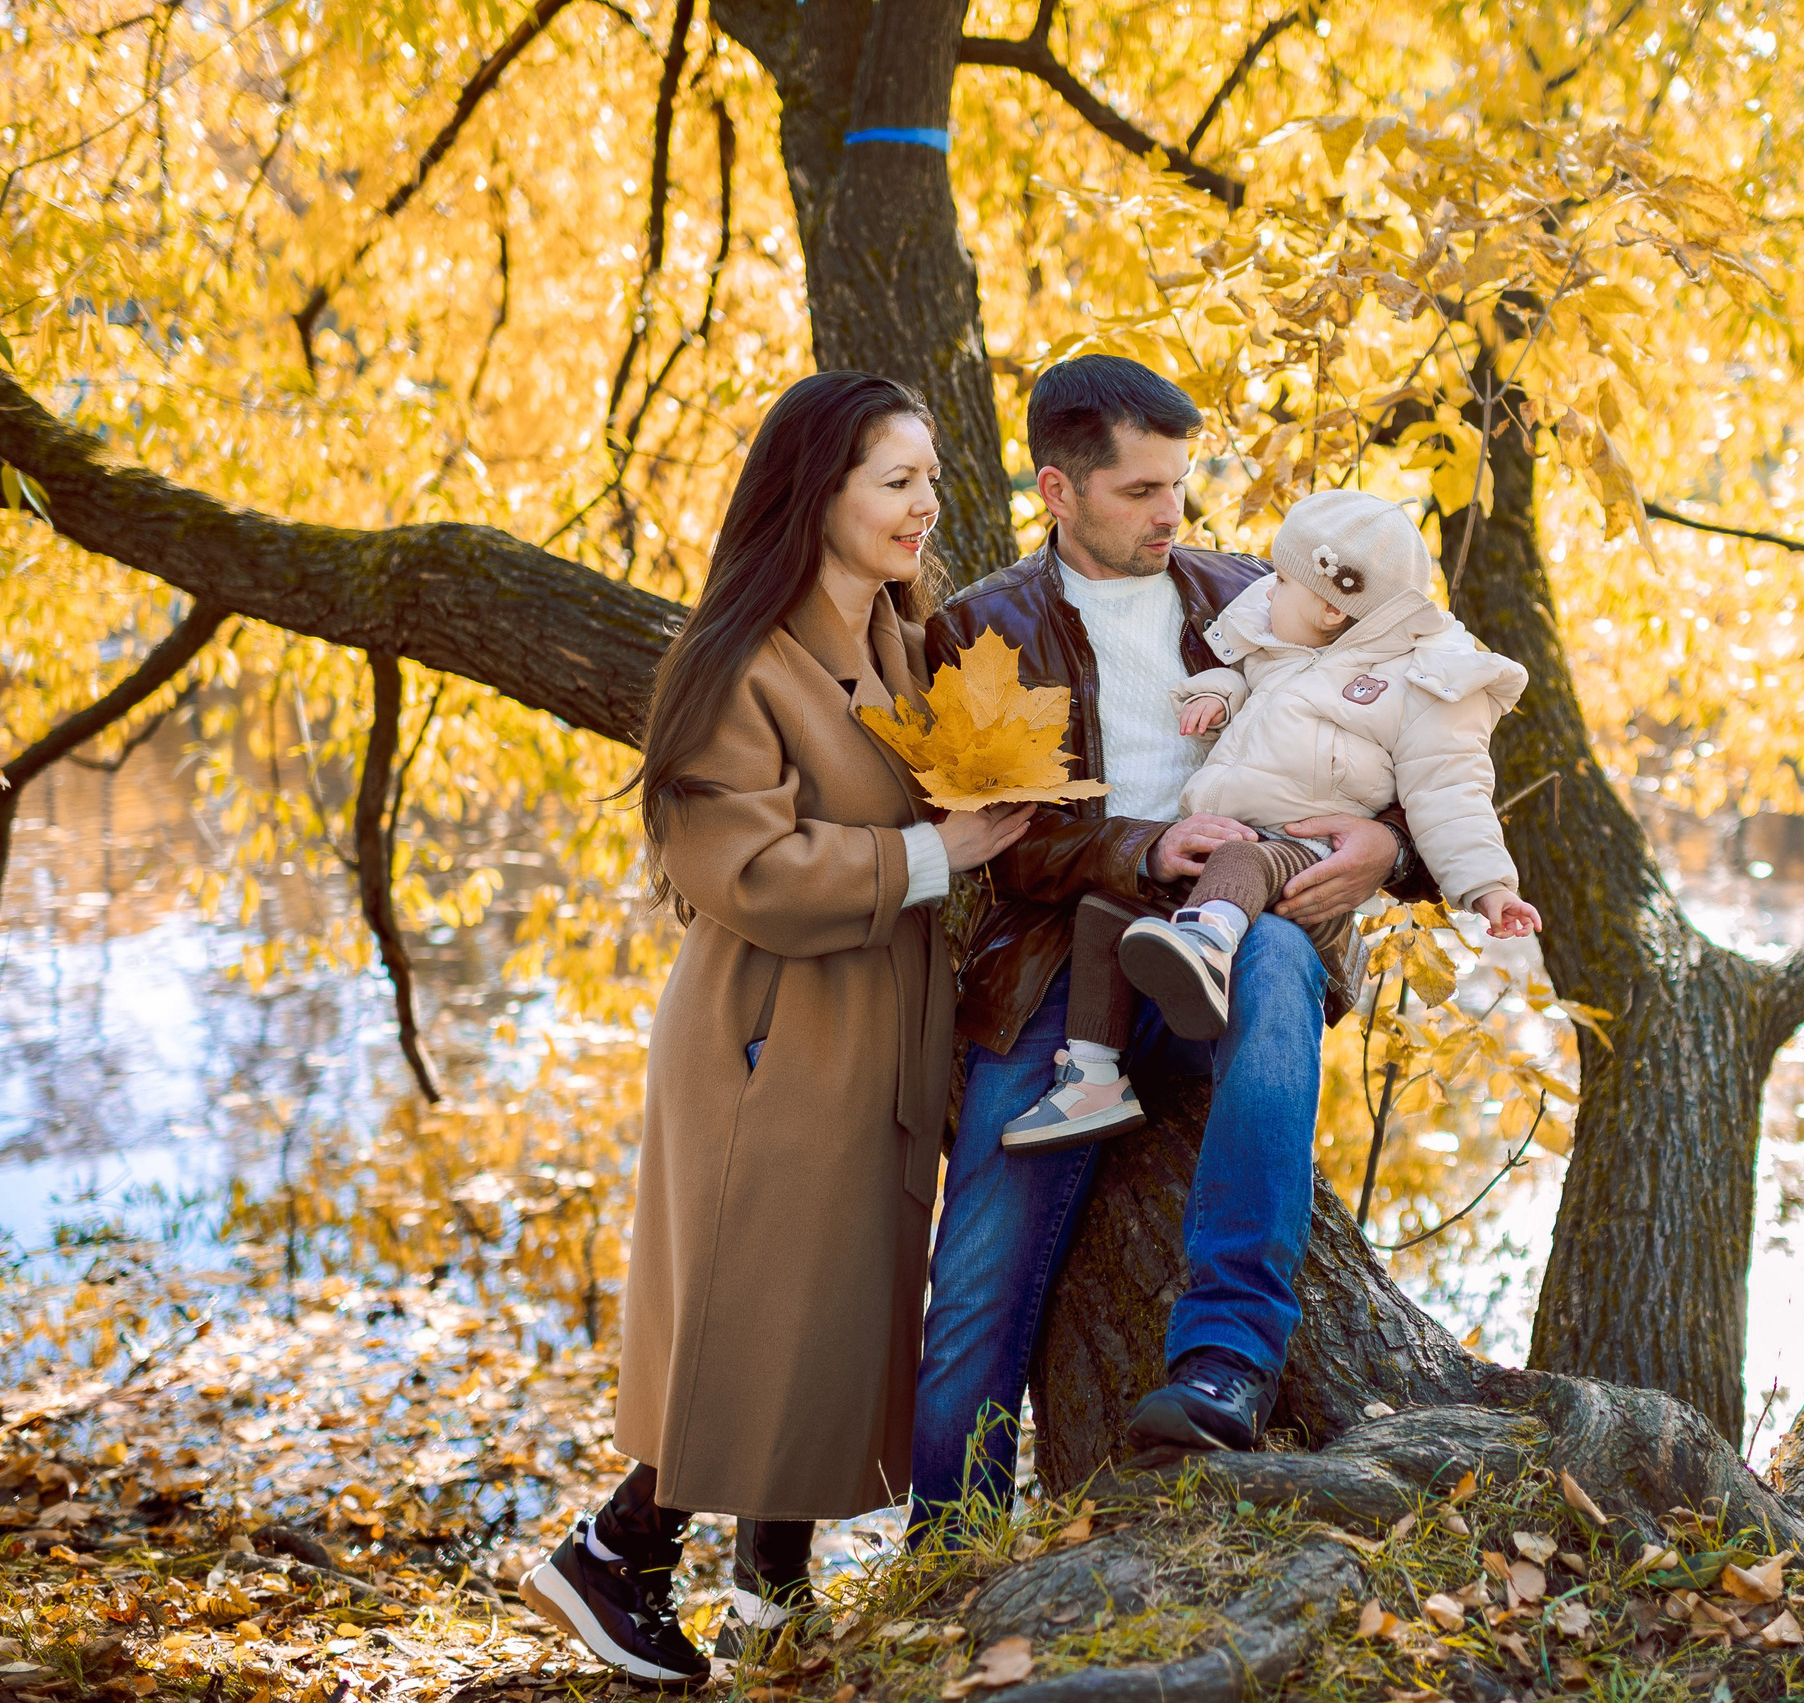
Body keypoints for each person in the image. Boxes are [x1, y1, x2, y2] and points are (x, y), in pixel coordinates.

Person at [521, 372, 1032, 1682]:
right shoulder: (734, 661)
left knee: (827, 1315)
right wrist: (931, 854)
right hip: (771, 1034)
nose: (929, 502)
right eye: (897, 479)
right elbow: (738, 865)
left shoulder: (913, 647)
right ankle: (613, 1548)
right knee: (755, 1310)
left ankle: (772, 1590)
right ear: (819, 493)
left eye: (929, 476)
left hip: (885, 1034)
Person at [909, 355, 1432, 1522]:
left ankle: (1224, 1361)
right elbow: (1009, 840)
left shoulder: (1255, 596)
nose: (1170, 512)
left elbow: (1410, 741)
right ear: (1058, 488)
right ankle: (947, 1549)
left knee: (1284, 956)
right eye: (1140, 489)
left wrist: (1385, 846)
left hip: (1241, 942)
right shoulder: (980, 629)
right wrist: (1146, 847)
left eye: (1179, 483)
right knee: (976, 1282)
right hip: (1062, 972)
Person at [999, 488, 1541, 1150]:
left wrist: (1488, 885)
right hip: (1235, 838)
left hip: (1302, 848)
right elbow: (1245, 680)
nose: (1266, 587)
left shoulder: (1422, 683)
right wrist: (1213, 695)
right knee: (1106, 911)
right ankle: (1092, 1075)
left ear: (1332, 606)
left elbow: (1451, 789)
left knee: (1242, 859)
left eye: (1282, 579)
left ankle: (1207, 948)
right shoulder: (1284, 642)